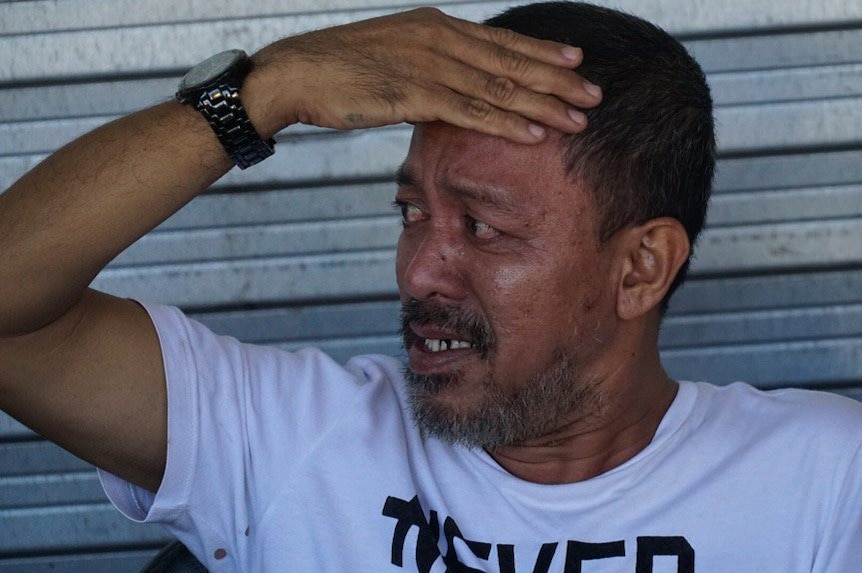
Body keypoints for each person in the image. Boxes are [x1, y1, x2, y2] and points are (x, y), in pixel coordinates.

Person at [0, 2, 859, 571]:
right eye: (412, 211)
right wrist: (268, 90)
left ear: (639, 268)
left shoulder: (822, 482)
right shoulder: (294, 441)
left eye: (482, 227)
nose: (418, 271)